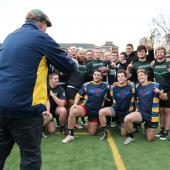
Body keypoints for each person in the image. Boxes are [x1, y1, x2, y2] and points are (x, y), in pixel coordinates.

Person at [0, 9, 76, 170]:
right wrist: (75, 62)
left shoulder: (9, 37)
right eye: (46, 26)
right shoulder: (41, 37)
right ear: (41, 23)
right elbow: (68, 65)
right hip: (26, 108)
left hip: (1, 106)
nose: (46, 29)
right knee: (30, 158)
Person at [62, 70, 110, 143]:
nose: (96, 76)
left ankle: (91, 123)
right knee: (73, 111)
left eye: (98, 75)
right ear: (93, 75)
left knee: (92, 132)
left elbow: (115, 87)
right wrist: (75, 104)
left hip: (96, 112)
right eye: (95, 75)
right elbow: (78, 95)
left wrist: (127, 82)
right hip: (85, 107)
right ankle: (70, 135)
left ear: (101, 77)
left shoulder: (106, 85)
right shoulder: (86, 85)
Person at [124, 69, 167, 145]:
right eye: (138, 76)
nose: (140, 77)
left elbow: (165, 98)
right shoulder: (137, 86)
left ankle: (147, 127)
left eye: (141, 75)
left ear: (146, 76)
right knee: (127, 119)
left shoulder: (155, 85)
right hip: (141, 113)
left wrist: (159, 92)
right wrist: (116, 83)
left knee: (150, 139)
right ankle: (131, 136)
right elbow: (126, 83)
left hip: (151, 116)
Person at [99, 69, 135, 140]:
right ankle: (104, 131)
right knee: (101, 112)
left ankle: (125, 124)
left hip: (126, 112)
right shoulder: (113, 88)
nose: (120, 78)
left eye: (122, 76)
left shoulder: (132, 87)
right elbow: (109, 98)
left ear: (126, 78)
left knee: (123, 134)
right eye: (118, 76)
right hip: (116, 109)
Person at [152, 47, 170, 140]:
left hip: (168, 90)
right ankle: (162, 129)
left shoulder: (168, 63)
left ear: (164, 53)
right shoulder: (153, 64)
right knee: (161, 110)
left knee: (167, 111)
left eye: (161, 52)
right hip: (159, 90)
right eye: (158, 52)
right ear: (156, 54)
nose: (159, 53)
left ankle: (166, 131)